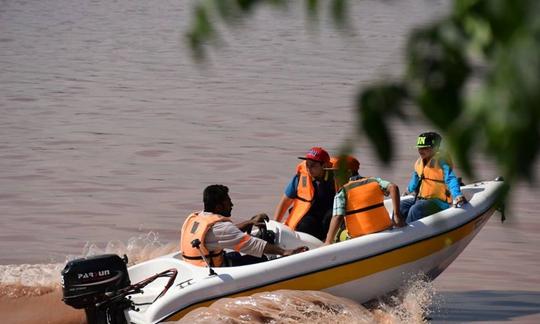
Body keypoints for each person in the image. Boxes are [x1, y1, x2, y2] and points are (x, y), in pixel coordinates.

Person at [181, 184, 307, 267]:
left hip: (195, 266)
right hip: (214, 271)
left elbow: (222, 234)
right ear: (219, 206)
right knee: (262, 259)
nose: (232, 205)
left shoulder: (197, 218)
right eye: (228, 202)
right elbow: (254, 245)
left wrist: (249, 222)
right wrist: (285, 252)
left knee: (235, 255)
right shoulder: (221, 229)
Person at [324, 158, 405, 245]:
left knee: (338, 233)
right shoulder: (374, 181)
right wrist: (397, 215)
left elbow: (337, 217)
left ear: (349, 172)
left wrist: (328, 242)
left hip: (359, 238)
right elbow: (393, 187)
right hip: (385, 229)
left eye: (337, 173)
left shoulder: (342, 192)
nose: (334, 177)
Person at [400, 132, 467, 224]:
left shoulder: (441, 162)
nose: (420, 150)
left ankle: (407, 235)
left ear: (435, 148)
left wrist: (457, 195)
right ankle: (394, 230)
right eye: (419, 148)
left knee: (415, 209)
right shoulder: (419, 162)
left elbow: (451, 179)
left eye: (425, 148)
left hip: (439, 202)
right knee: (401, 205)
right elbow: (415, 179)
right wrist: (408, 190)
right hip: (421, 199)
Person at [273, 147, 336, 241]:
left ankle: (329, 241)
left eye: (313, 165)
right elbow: (285, 201)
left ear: (324, 165)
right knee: (305, 224)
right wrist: (275, 225)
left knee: (332, 215)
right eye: (307, 165)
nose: (309, 169)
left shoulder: (337, 179)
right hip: (309, 218)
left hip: (328, 217)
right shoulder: (300, 178)